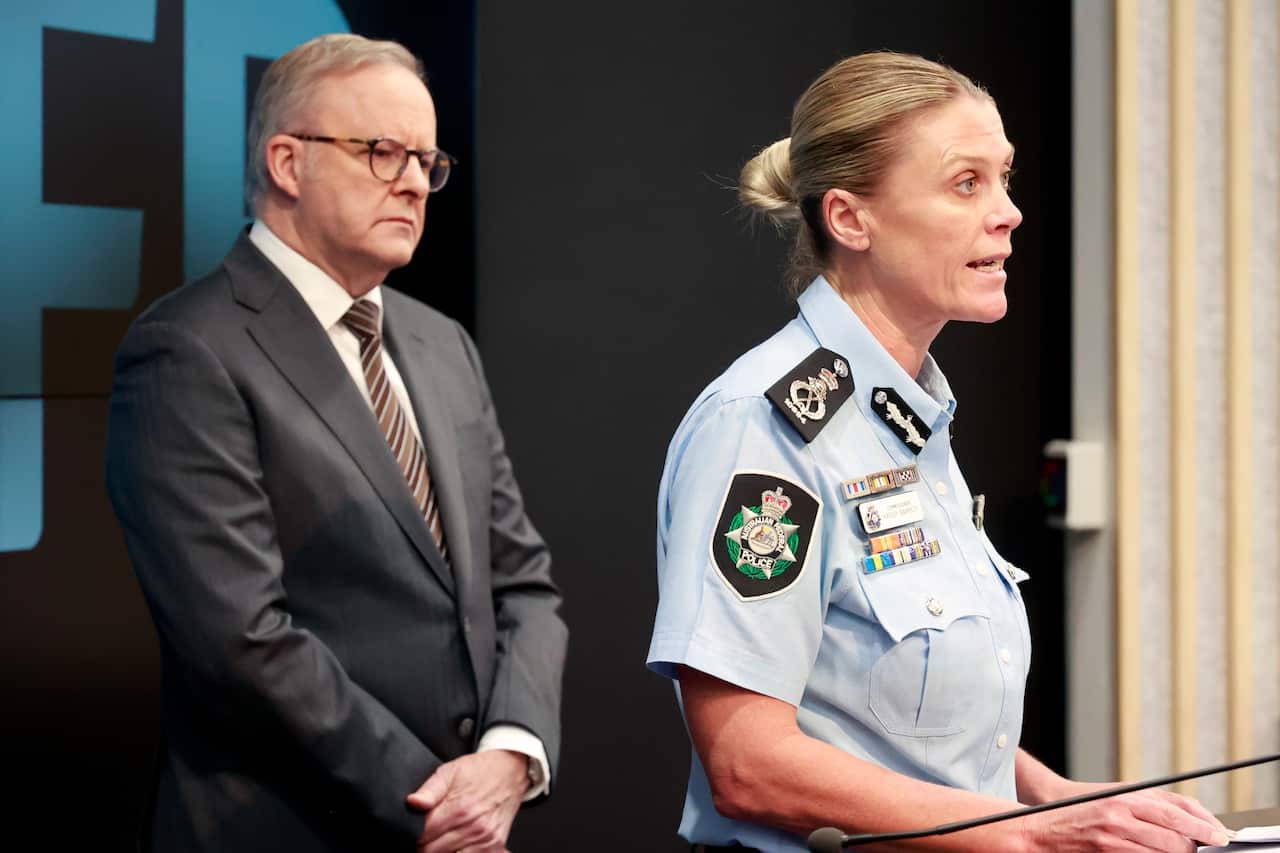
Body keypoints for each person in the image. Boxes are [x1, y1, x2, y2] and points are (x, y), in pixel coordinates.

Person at [646, 52, 1230, 852]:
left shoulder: (905, 413)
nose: (1009, 213)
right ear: (852, 219)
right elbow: (749, 762)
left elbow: (883, 716)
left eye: (1005, 178)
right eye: (967, 184)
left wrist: (1049, 793)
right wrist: (1030, 832)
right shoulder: (768, 425)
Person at [105, 34, 566, 853]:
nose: (417, 183)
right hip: (292, 826)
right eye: (383, 152)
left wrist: (510, 753)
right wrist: (439, 805)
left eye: (428, 160)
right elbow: (240, 643)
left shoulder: (440, 342)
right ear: (287, 162)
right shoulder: (186, 349)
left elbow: (521, 583)